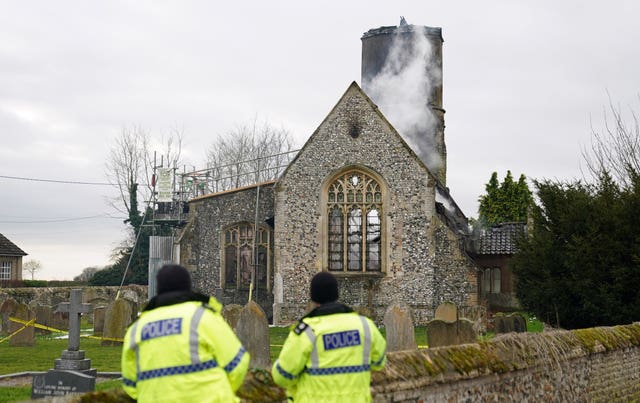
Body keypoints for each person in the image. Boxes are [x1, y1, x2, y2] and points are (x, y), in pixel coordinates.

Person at [121, 264, 250, 402]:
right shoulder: (202, 317)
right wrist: (223, 391)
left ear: (158, 289)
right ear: (188, 286)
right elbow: (237, 363)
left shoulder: (137, 328)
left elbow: (130, 383)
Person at [272, 271, 386, 402]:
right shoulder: (364, 325)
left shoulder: (306, 332)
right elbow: (379, 362)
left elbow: (282, 376)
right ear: (336, 294)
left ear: (313, 297)